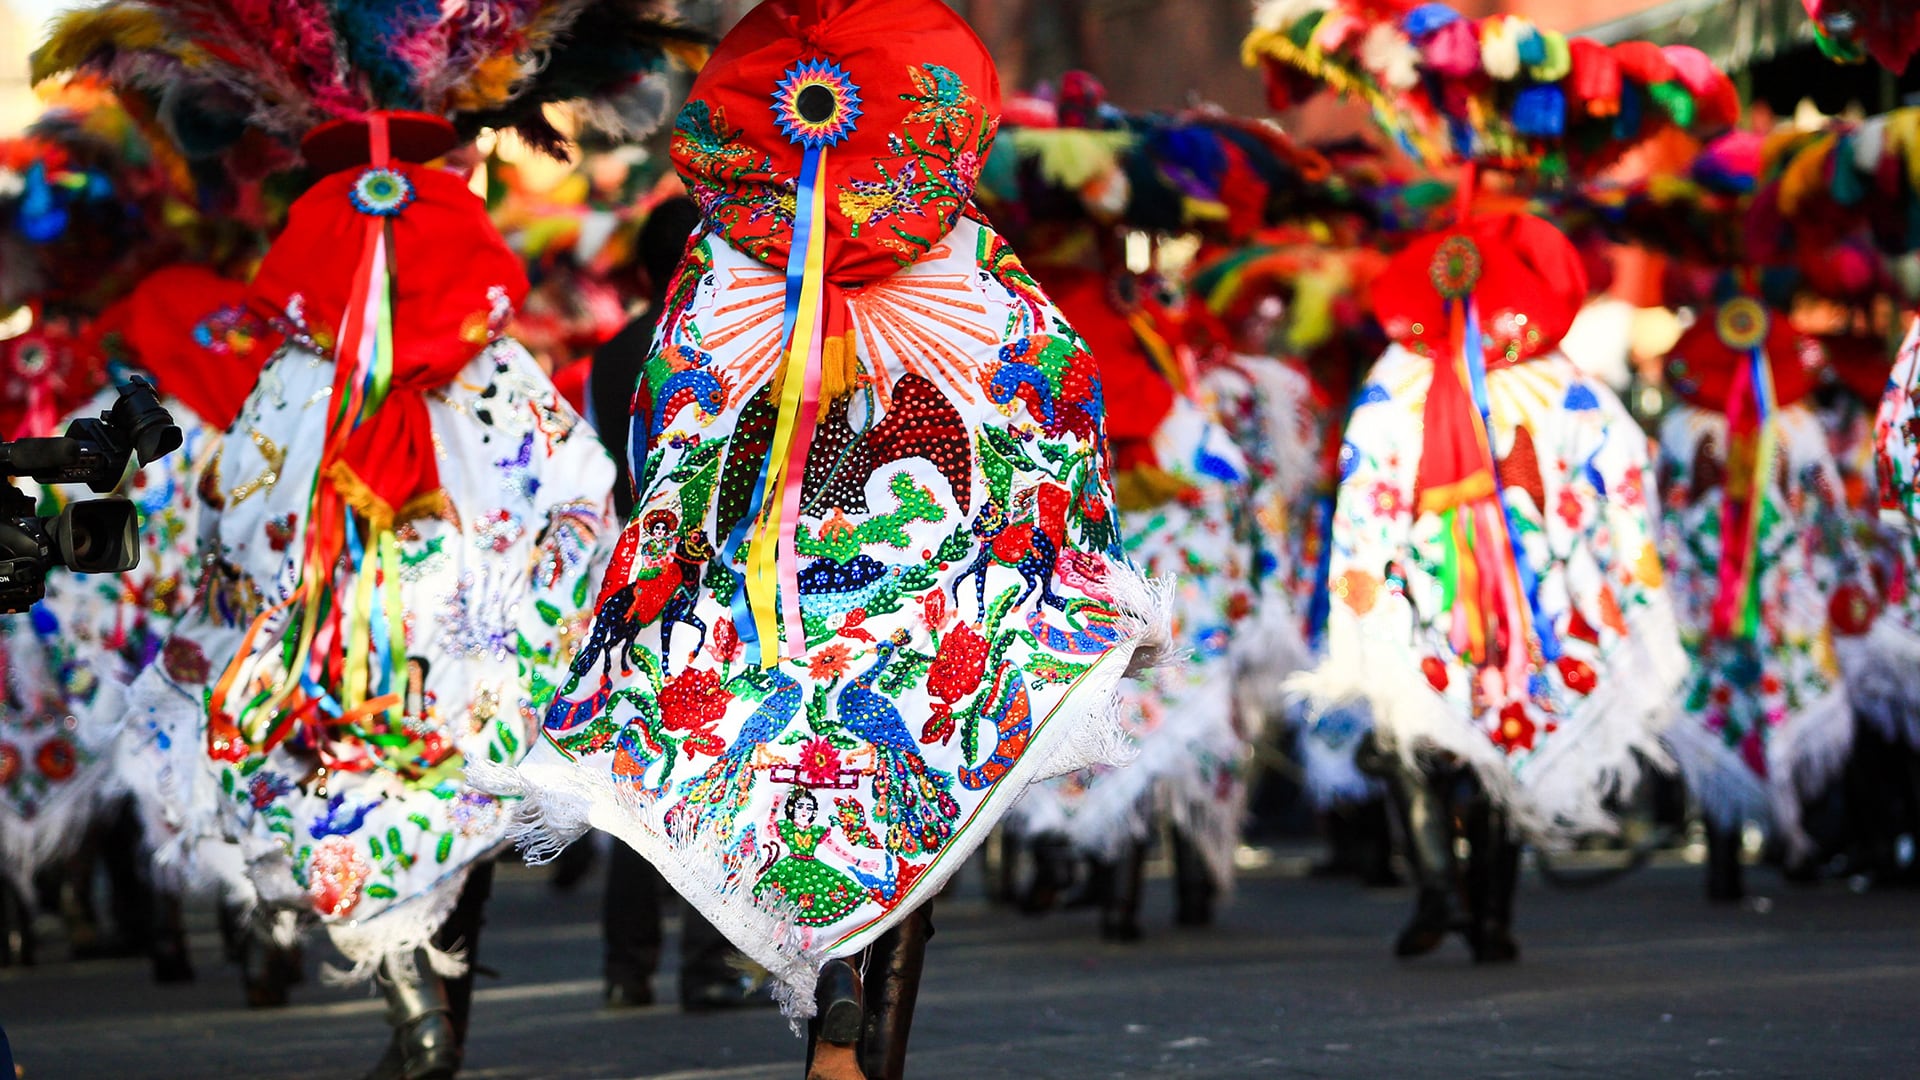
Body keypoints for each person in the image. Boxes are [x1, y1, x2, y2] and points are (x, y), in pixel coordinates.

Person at [480, 4, 1169, 1078]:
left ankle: (828, 978)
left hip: (760, 614)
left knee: (769, 806)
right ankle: (859, 1044)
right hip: (919, 609)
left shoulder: (717, 278)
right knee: (909, 819)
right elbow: (1059, 409)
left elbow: (663, 433)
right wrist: (1073, 563)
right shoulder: (976, 272)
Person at [39, 3, 701, 1074]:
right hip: (469, 667)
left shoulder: (296, 385)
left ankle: (412, 1006)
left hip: (334, 666)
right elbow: (578, 495)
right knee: (460, 809)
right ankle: (436, 1005)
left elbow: (238, 510)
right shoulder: (498, 380)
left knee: (328, 806)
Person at [1291, 211, 1684, 961]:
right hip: (1495, 592)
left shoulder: (1399, 376)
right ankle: (1472, 905)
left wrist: (1362, 582)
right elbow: (1624, 471)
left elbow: (1362, 488)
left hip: (1465, 591)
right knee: (1464, 736)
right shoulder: (1557, 380)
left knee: (1429, 735)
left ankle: (1450, 891)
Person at [578, 195, 772, 1009]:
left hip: (635, 584)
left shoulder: (613, 354)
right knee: (715, 768)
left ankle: (627, 966)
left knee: (639, 772)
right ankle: (706, 959)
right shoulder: (729, 341)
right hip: (719, 587)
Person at [1657, 300, 1860, 899]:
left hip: (1712, 604)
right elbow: (1827, 518)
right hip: (1774, 603)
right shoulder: (1797, 427)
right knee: (1773, 707)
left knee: (1723, 713)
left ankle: (1729, 855)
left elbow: (1662, 514)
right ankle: (1791, 842)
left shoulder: (1684, 428)